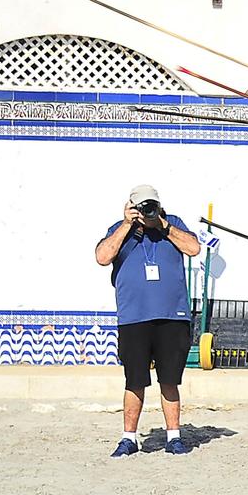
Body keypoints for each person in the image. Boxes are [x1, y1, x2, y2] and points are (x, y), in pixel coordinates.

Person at [96, 183, 202, 457]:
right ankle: (129, 438)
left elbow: (193, 249)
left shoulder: (172, 224)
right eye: (141, 206)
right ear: (130, 206)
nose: (147, 211)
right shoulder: (119, 230)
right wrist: (125, 225)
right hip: (134, 318)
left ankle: (174, 437)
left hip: (172, 316)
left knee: (169, 379)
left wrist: (163, 225)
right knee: (135, 380)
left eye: (150, 205)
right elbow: (102, 256)